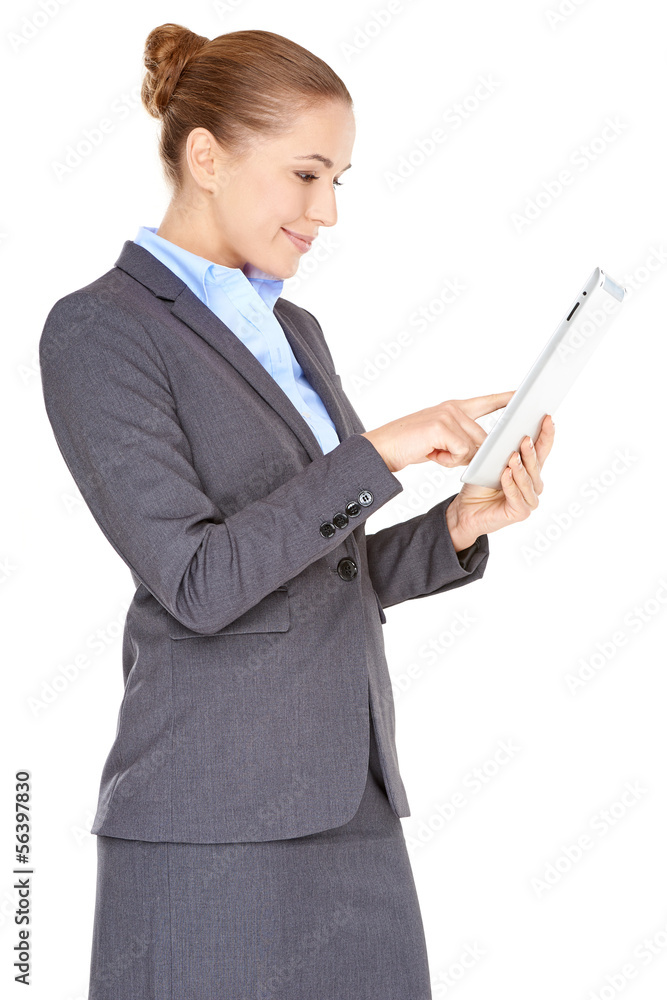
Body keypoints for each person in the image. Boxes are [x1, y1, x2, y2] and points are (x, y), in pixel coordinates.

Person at [38, 23, 555, 1000]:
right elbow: (199, 582)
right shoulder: (98, 331)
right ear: (206, 156)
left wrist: (458, 524)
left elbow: (320, 568)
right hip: (213, 823)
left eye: (339, 181)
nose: (325, 211)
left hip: (352, 807)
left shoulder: (293, 331)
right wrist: (379, 452)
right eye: (306, 175)